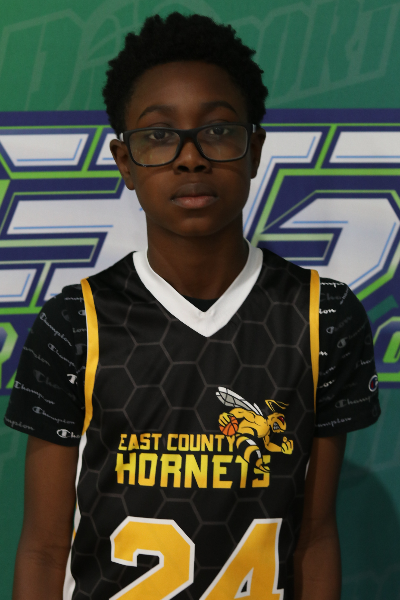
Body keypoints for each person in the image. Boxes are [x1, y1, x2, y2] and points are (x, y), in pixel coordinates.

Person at [5, 12, 380, 600]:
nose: (190, 158)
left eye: (217, 130)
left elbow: (315, 537)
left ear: (254, 150)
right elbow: (44, 547)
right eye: (158, 135)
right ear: (124, 162)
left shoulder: (322, 316)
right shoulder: (74, 322)